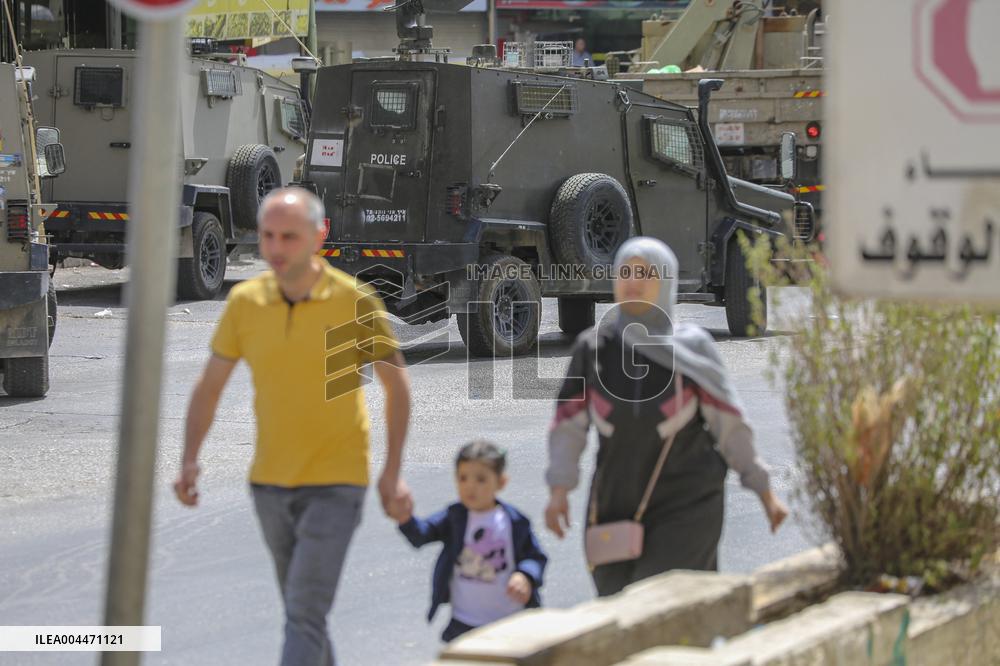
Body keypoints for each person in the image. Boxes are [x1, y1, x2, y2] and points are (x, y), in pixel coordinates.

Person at [173, 187, 413, 666]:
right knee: (305, 614)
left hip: (337, 483)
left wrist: (391, 472)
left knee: (303, 613)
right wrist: (189, 460)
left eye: (289, 236)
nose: (277, 248)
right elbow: (210, 386)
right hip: (269, 485)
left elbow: (397, 388)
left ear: (319, 236)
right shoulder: (246, 302)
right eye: (268, 236)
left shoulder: (354, 301)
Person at [544, 237, 788, 596]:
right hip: (615, 500)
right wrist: (559, 490)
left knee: (656, 600)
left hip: (688, 499)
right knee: (616, 603)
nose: (632, 281)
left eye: (644, 273)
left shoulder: (692, 349)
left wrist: (764, 491)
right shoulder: (594, 348)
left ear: (666, 281)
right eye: (625, 271)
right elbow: (569, 425)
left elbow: (730, 426)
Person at [397, 440, 547, 642]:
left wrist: (525, 576)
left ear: (501, 482)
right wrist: (405, 519)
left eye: (481, 479)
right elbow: (422, 535)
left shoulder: (515, 522)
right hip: (464, 623)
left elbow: (535, 557)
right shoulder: (454, 517)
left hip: (510, 620)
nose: (470, 487)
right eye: (463, 478)